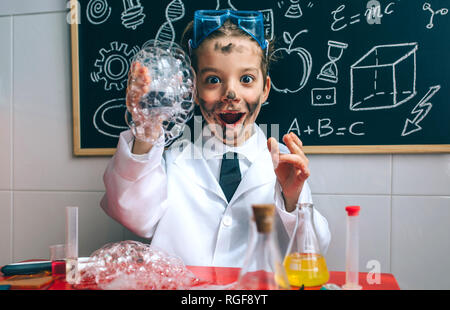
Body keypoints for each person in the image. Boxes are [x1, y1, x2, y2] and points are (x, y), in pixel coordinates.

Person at [101, 10, 330, 267]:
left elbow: (313, 250)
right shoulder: (175, 162)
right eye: (213, 80)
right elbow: (131, 214)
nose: (230, 92)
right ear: (194, 91)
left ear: (265, 89)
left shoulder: (282, 167)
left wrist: (292, 200)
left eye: (246, 79)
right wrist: (146, 127)